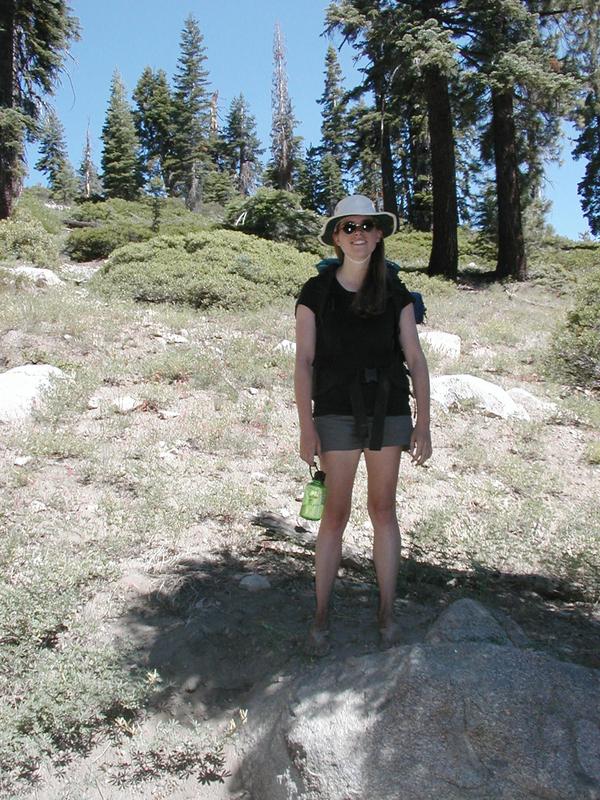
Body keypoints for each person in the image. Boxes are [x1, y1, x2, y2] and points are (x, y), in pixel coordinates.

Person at [294, 194, 432, 654]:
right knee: (335, 514)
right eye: (348, 227)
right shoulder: (315, 293)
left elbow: (415, 357)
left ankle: (387, 612)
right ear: (335, 236)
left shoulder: (396, 293)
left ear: (379, 234)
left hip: (388, 410)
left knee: (383, 511)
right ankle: (320, 617)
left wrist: (424, 422)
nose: (358, 234)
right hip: (333, 410)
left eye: (366, 226)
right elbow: (304, 362)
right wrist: (305, 427)